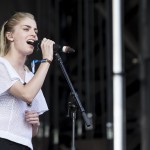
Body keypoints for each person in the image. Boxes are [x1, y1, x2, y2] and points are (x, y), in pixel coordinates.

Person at [0, 12, 54, 150]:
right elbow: (26, 94)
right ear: (10, 35)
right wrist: (46, 60)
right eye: (26, 29)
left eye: (35, 31)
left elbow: (32, 131)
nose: (34, 35)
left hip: (25, 144)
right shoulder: (1, 65)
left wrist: (35, 124)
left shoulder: (30, 76)